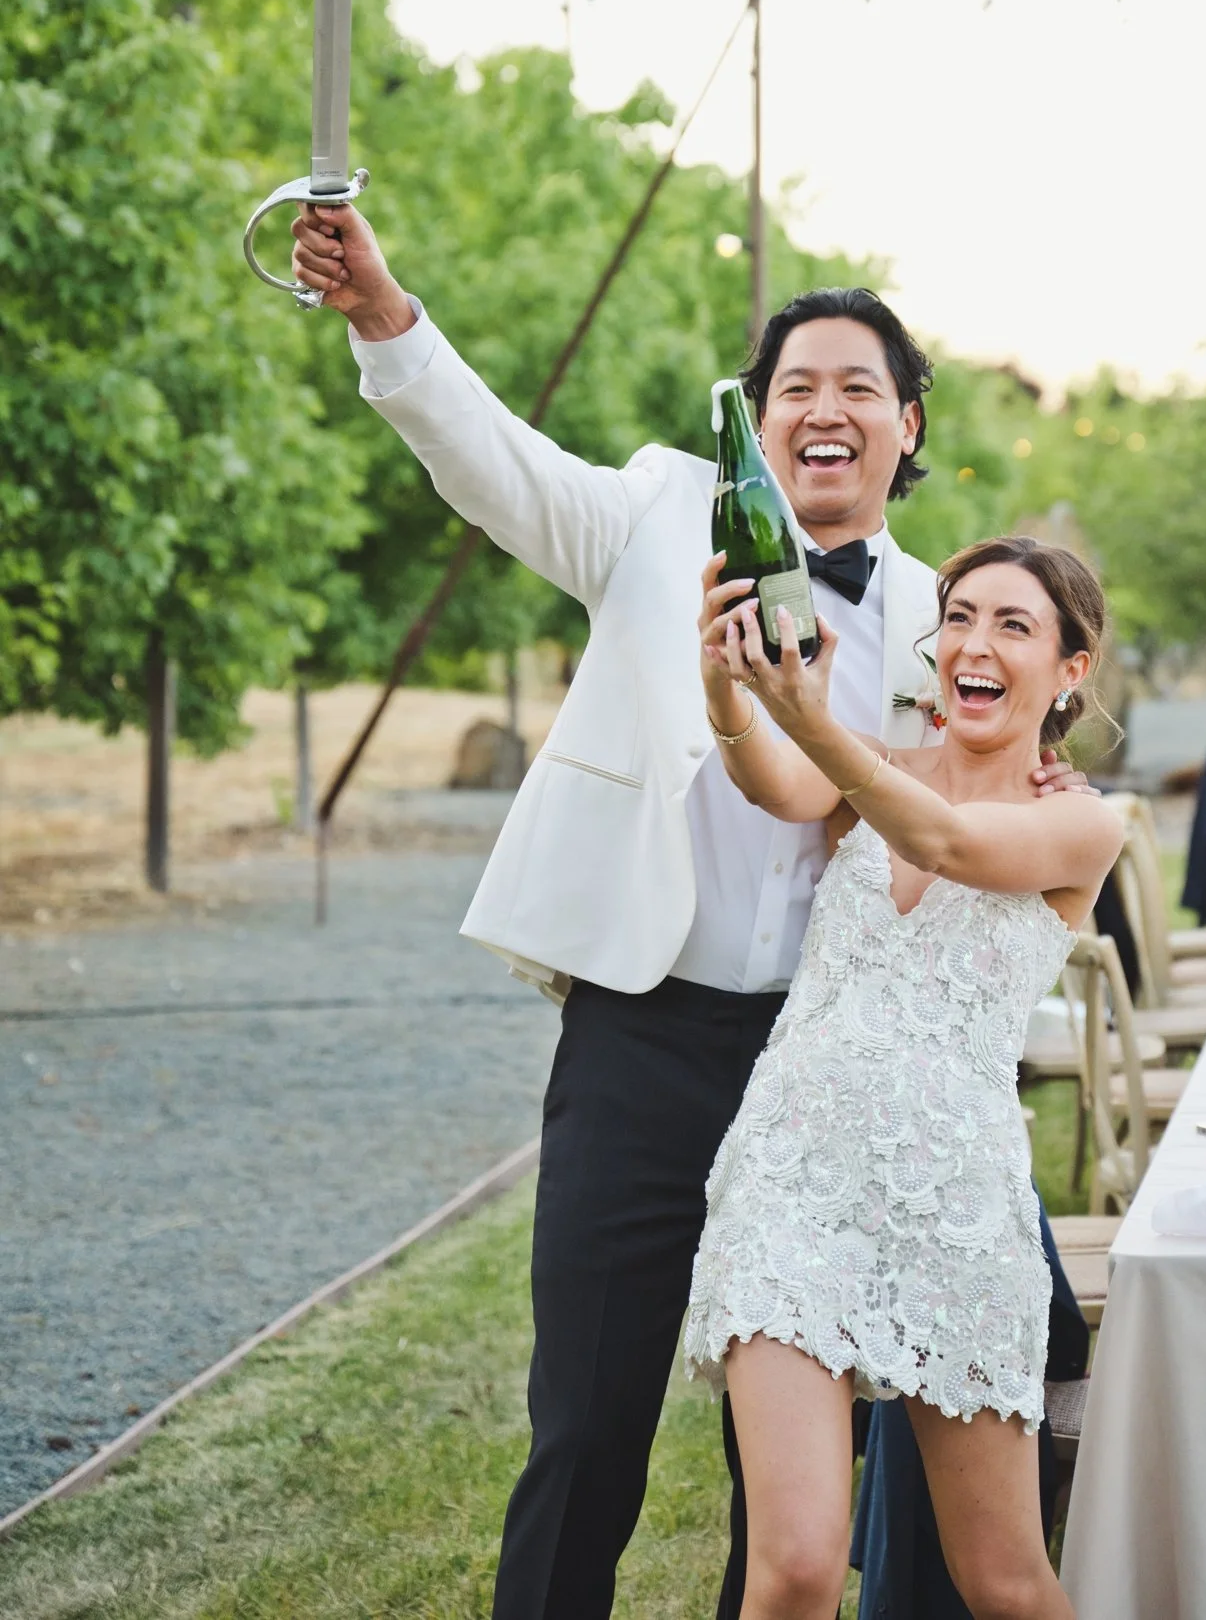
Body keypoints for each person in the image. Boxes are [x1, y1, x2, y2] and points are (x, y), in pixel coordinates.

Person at [290, 202, 1092, 1620]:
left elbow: (986, 797)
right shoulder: (663, 513)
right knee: (586, 1422)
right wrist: (383, 317)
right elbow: (501, 470)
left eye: (859, 388)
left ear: (910, 425)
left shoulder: (942, 623)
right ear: (758, 421)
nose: (825, 410)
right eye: (795, 388)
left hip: (822, 1066)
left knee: (784, 1486)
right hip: (640, 1034)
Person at [686, 535, 1123, 1620]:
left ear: (1070, 670)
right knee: (789, 1566)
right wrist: (724, 689)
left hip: (955, 1209)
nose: (974, 644)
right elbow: (774, 779)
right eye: (960, 617)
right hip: (792, 1179)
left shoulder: (1080, 820)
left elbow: (951, 841)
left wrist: (817, 723)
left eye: (1012, 626)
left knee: (1005, 1581)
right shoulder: (870, 766)